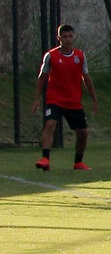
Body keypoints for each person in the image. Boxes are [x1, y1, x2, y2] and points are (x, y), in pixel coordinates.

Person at [35, 24, 98, 172]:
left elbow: (86, 78)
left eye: (70, 36)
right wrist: (37, 98)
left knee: (83, 133)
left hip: (73, 101)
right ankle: (45, 159)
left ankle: (78, 162)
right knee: (50, 124)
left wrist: (94, 99)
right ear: (59, 39)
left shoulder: (80, 56)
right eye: (65, 37)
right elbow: (42, 78)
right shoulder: (51, 56)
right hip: (54, 99)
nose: (68, 39)